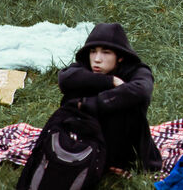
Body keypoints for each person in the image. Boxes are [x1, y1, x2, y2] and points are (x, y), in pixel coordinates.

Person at [56, 23, 160, 173]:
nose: (97, 59)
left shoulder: (137, 71)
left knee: (126, 101)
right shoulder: (85, 67)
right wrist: (109, 81)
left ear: (120, 57)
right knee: (72, 93)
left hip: (125, 143)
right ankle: (75, 151)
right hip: (86, 139)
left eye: (106, 52)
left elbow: (141, 91)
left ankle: (118, 163)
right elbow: (65, 79)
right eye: (93, 51)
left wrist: (94, 103)